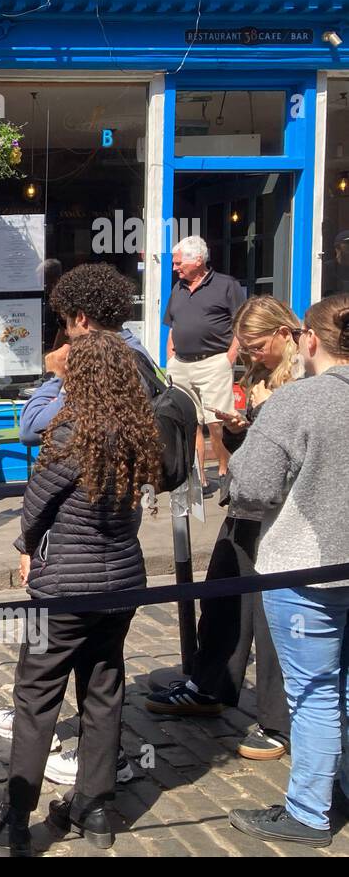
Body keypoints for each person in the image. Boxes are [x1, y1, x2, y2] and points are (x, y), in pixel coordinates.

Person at [0, 331, 161, 856]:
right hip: (121, 582)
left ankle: (16, 813)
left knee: (36, 696)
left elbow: (36, 503)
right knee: (103, 690)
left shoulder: (73, 432)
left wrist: (26, 544)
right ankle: (95, 807)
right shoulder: (137, 431)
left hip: (66, 588)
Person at [146, 295, 296, 760]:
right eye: (244, 346)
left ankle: (278, 721)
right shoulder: (260, 378)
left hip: (283, 514)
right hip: (247, 501)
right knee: (223, 595)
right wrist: (236, 429)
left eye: (255, 345)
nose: (248, 355)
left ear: (284, 335)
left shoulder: (303, 382)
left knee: (273, 617)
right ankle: (210, 685)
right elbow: (257, 442)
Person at [228, 293, 349, 848]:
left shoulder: (298, 402)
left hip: (307, 569)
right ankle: (336, 787)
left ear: (310, 340)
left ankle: (308, 811)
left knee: (315, 693)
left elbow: (250, 488)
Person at [19, 263, 155, 446]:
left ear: (81, 317)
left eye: (64, 320)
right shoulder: (134, 349)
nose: (66, 332)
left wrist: (54, 375)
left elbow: (31, 429)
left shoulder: (103, 362)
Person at [164, 235, 245, 496]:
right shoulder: (178, 288)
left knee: (217, 422)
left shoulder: (226, 286)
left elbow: (242, 324)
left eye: (178, 263)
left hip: (213, 363)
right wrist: (170, 356)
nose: (175, 268)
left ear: (197, 260)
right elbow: (173, 324)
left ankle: (226, 470)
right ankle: (198, 479)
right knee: (187, 422)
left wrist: (229, 358)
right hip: (181, 365)